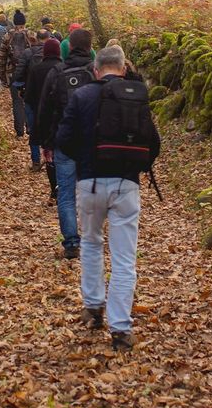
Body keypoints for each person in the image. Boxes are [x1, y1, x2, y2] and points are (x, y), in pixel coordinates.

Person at [55, 44, 161, 351]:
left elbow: (63, 140)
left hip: (89, 183)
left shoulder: (82, 96)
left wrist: (86, 161)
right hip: (127, 184)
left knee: (90, 243)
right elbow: (153, 143)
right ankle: (121, 328)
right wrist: (134, 168)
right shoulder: (136, 97)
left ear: (95, 69)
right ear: (124, 68)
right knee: (124, 257)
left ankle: (93, 308)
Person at [36, 28, 96, 259]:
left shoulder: (57, 72)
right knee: (91, 190)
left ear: (69, 46)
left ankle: (71, 242)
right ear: (90, 47)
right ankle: (91, 236)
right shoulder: (96, 72)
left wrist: (45, 142)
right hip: (91, 142)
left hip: (64, 142)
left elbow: (45, 109)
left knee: (66, 194)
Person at [26, 36, 63, 184]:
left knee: (48, 150)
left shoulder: (36, 69)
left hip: (41, 115)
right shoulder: (64, 68)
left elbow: (28, 96)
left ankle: (54, 186)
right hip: (60, 115)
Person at [0, 10, 31, 136]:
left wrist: (3, 77)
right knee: (29, 100)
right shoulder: (31, 34)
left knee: (17, 102)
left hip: (13, 73)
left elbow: (2, 58)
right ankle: (29, 126)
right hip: (29, 74)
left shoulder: (8, 36)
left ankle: (19, 131)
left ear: (14, 23)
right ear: (24, 22)